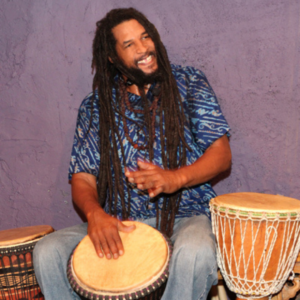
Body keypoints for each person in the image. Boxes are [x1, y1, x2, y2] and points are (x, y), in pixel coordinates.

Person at [33, 7, 231, 300]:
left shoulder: (189, 83)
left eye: (145, 37)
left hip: (186, 217)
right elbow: (83, 179)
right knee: (48, 251)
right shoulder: (96, 106)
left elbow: (221, 153)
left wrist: (175, 179)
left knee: (194, 251)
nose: (144, 49)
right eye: (130, 45)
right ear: (113, 58)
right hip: (121, 224)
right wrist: (95, 214)